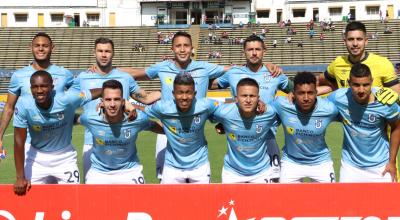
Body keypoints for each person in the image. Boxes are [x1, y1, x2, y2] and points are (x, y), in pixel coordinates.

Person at [117, 31, 282, 180]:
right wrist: (109, 71)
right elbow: (135, 74)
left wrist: (266, 66)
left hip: (194, 128)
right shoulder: (162, 67)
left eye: (186, 46)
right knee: (165, 179)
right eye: (178, 46)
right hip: (167, 129)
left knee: (198, 176)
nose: (182, 50)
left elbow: (237, 70)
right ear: (172, 49)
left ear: (192, 48)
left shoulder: (204, 68)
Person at [73, 37, 161, 179]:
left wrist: (168, 92)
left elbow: (146, 99)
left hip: (121, 139)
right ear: (94, 53)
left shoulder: (125, 78)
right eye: (100, 51)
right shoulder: (83, 78)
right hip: (92, 143)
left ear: (113, 53)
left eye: (107, 51)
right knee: (93, 195)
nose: (103, 54)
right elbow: (66, 100)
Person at [209, 35, 294, 182]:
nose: (254, 53)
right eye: (250, 49)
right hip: (241, 136)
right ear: (244, 52)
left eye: (257, 49)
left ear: (264, 52)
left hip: (268, 137)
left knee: (270, 191)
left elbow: (296, 91)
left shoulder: (274, 74)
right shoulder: (233, 73)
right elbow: (210, 84)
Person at [13, 71, 103, 195]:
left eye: (44, 86)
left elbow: (96, 92)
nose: (39, 90)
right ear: (30, 88)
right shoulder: (23, 104)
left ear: (52, 87)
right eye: (35, 87)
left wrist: (114, 99)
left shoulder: (66, 99)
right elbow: (18, 141)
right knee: (31, 200)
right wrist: (19, 177)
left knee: (72, 198)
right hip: (36, 158)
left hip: (65, 158)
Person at [0, 32, 73, 159]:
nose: (40, 48)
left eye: (45, 45)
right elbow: (9, 107)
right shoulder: (18, 76)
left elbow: (79, 95)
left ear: (52, 48)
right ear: (31, 47)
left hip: (60, 146)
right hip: (30, 145)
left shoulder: (64, 74)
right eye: (37, 45)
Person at [136, 73, 219, 184]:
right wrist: (125, 105)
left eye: (188, 93)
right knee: (169, 201)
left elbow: (228, 112)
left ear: (194, 94)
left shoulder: (205, 105)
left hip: (200, 166)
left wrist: (223, 124)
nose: (184, 97)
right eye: (180, 93)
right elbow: (142, 110)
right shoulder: (163, 107)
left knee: (202, 201)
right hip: (172, 167)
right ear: (173, 94)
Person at [79, 80, 163, 184]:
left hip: (130, 171)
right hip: (99, 173)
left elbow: (154, 126)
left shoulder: (137, 118)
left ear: (123, 102)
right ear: (102, 102)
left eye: (117, 99)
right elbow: (72, 120)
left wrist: (178, 132)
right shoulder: (90, 118)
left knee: (140, 200)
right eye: (108, 99)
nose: (112, 104)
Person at [327, 63, 400, 182]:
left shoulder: (385, 101)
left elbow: (397, 127)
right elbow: (317, 107)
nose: (361, 90)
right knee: (347, 201)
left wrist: (392, 162)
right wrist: (293, 92)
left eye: (366, 85)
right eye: (356, 85)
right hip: (350, 168)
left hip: (381, 167)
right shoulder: (338, 97)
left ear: (371, 81)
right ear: (349, 82)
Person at [273, 72, 338, 183]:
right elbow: (261, 109)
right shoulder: (282, 104)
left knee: (328, 198)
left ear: (316, 92)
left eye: (310, 93)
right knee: (286, 199)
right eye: (301, 93)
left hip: (321, 163)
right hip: (291, 162)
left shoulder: (329, 109)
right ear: (293, 93)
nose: (306, 98)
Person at [211, 78, 278, 183]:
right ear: (236, 98)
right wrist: (223, 125)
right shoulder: (224, 112)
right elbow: (203, 108)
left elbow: (288, 108)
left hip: (261, 173)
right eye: (244, 96)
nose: (248, 100)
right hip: (232, 173)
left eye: (252, 96)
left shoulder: (269, 113)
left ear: (258, 98)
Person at [318, 21, 400, 103]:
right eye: (350, 39)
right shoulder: (337, 63)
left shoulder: (383, 63)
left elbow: (397, 96)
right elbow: (320, 80)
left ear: (366, 41)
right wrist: (331, 88)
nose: (355, 43)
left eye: (359, 39)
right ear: (344, 41)